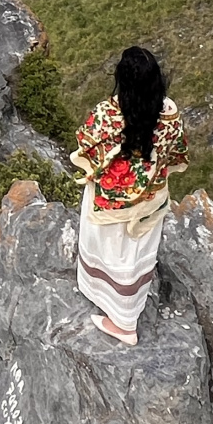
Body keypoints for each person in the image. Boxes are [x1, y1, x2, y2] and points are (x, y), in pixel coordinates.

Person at [71, 46, 189, 345]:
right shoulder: (170, 115)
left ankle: (123, 325)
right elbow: (175, 152)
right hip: (150, 201)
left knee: (111, 251)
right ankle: (127, 307)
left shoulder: (108, 115)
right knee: (135, 256)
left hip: (112, 204)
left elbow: (86, 142)